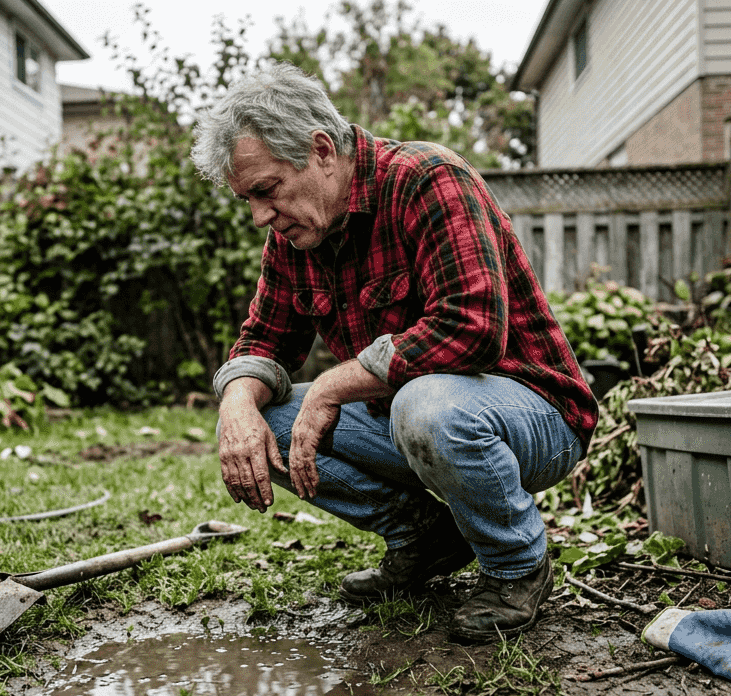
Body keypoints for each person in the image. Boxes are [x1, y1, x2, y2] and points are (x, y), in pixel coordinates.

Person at [190, 62, 599, 643]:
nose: (259, 216)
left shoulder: (428, 179)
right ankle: (425, 538)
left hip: (534, 415)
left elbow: (472, 328)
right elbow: (264, 340)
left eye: (266, 190)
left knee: (424, 404)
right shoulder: (294, 235)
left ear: (321, 150)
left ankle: (516, 566)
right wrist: (235, 406)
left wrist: (332, 385)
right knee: (268, 420)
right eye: (246, 199)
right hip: (411, 418)